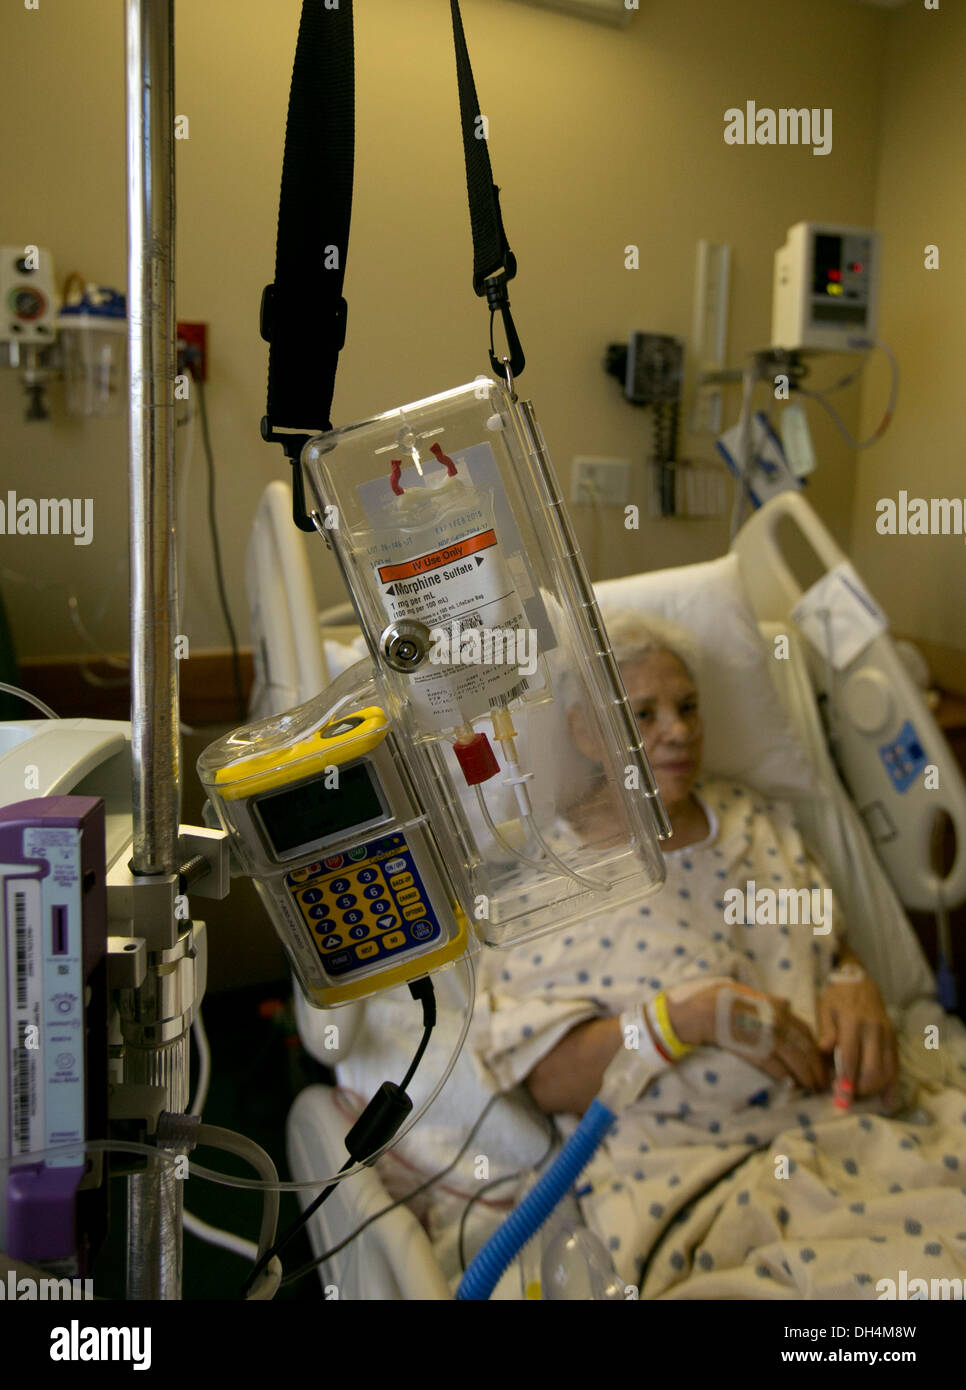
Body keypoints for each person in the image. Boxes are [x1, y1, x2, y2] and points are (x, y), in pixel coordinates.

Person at [471, 610, 966, 1298]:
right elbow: (549, 1080)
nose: (678, 731)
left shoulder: (751, 817)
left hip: (855, 1126)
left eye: (689, 707)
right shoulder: (554, 881)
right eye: (643, 713)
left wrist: (854, 977)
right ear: (585, 731)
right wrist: (686, 1018)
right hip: (698, 1173)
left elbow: (825, 940)